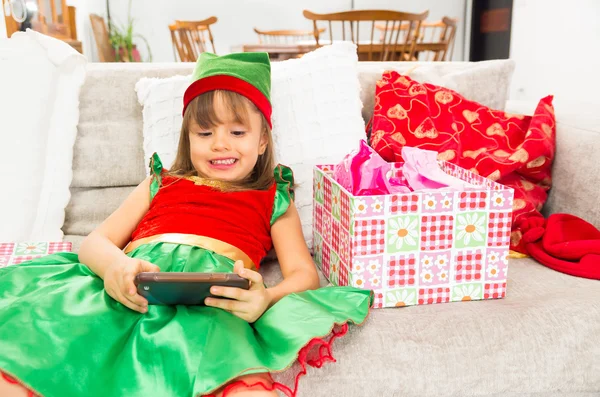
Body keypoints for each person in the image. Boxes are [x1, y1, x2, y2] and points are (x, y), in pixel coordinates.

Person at [0, 52, 372, 397]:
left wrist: (265, 297)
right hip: (130, 288)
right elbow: (94, 243)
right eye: (205, 133)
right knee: (42, 353)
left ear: (262, 141)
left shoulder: (273, 195)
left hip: (212, 306)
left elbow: (303, 274)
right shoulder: (162, 182)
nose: (219, 145)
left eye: (237, 132)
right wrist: (116, 268)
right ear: (187, 137)